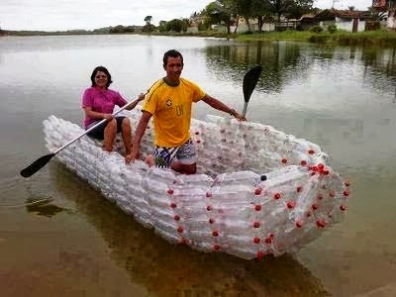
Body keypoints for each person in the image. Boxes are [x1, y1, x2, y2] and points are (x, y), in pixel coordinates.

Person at [125, 49, 245, 174]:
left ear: (182, 66)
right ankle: (152, 160)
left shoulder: (188, 86)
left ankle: (166, 162)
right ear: (165, 67)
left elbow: (210, 100)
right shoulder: (157, 92)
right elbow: (144, 121)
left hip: (184, 139)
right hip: (165, 143)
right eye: (171, 65)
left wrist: (233, 112)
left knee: (191, 170)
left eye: (178, 65)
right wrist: (135, 149)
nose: (176, 69)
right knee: (161, 175)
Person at [82, 66, 144, 161]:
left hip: (109, 122)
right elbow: (88, 112)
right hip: (93, 126)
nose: (101, 78)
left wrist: (138, 99)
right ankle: (108, 151)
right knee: (112, 121)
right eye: (98, 77)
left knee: (125, 120)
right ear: (94, 79)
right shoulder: (89, 92)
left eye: (103, 76)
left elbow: (128, 107)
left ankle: (130, 152)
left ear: (108, 78)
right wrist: (103, 115)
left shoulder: (113, 94)